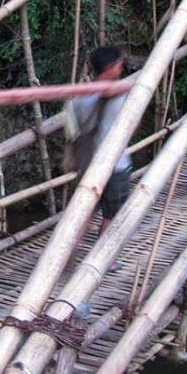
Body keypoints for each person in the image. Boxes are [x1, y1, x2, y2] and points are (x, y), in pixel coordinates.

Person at [67, 46, 132, 235]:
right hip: (116, 165)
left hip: (87, 165)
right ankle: (104, 262)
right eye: (119, 63)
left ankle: (67, 253)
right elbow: (132, 128)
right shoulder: (124, 96)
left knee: (83, 214)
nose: (122, 66)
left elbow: (72, 131)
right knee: (111, 216)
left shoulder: (79, 98)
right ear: (110, 66)